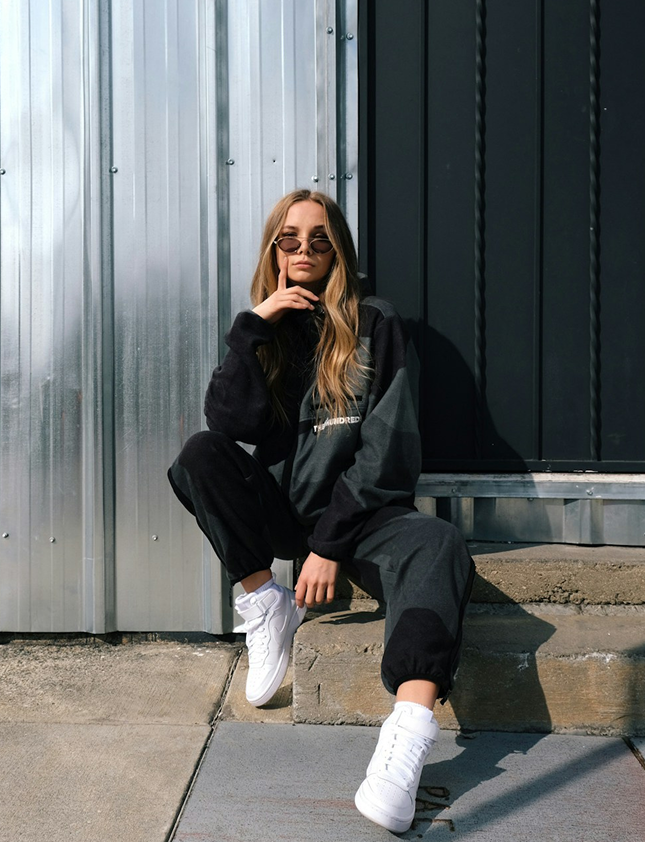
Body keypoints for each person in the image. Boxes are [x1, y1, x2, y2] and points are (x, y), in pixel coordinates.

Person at [168, 189, 475, 834]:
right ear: (274, 250)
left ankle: (406, 742)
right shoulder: (267, 331)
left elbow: (387, 450)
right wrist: (254, 328)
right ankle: (265, 601)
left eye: (318, 238)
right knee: (200, 455)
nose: (303, 249)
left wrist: (330, 545)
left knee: (441, 544)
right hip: (286, 514)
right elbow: (228, 424)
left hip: (364, 521)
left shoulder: (374, 323)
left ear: (339, 250)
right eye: (289, 238)